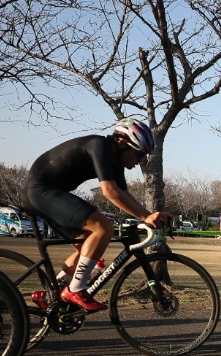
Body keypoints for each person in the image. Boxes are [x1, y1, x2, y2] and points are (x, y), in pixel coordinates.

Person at [19, 118, 168, 312]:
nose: (141, 160)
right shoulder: (100, 146)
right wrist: (145, 217)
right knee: (103, 227)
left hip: (49, 193)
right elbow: (109, 191)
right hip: (40, 191)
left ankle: (51, 295)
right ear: (122, 143)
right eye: (139, 153)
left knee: (87, 245)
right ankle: (76, 289)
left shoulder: (115, 160)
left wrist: (150, 215)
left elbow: (124, 193)